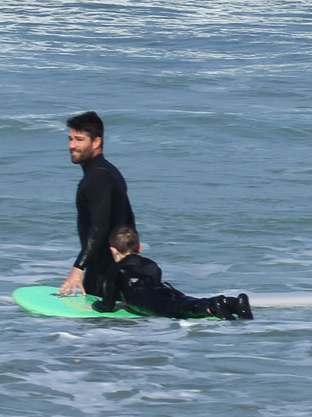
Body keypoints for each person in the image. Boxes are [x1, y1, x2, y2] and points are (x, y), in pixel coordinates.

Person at [56, 111, 134, 301]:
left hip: (104, 272)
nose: (72, 145)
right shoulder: (109, 172)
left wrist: (78, 268)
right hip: (116, 268)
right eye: (70, 139)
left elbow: (100, 227)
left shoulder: (97, 178)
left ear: (96, 142)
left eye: (79, 139)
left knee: (98, 327)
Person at [96, 227, 253, 320]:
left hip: (148, 301)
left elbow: (107, 306)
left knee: (178, 309)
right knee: (183, 300)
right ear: (140, 248)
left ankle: (213, 306)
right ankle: (232, 302)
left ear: (112, 250)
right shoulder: (151, 264)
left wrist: (97, 305)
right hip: (166, 290)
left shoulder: (114, 270)